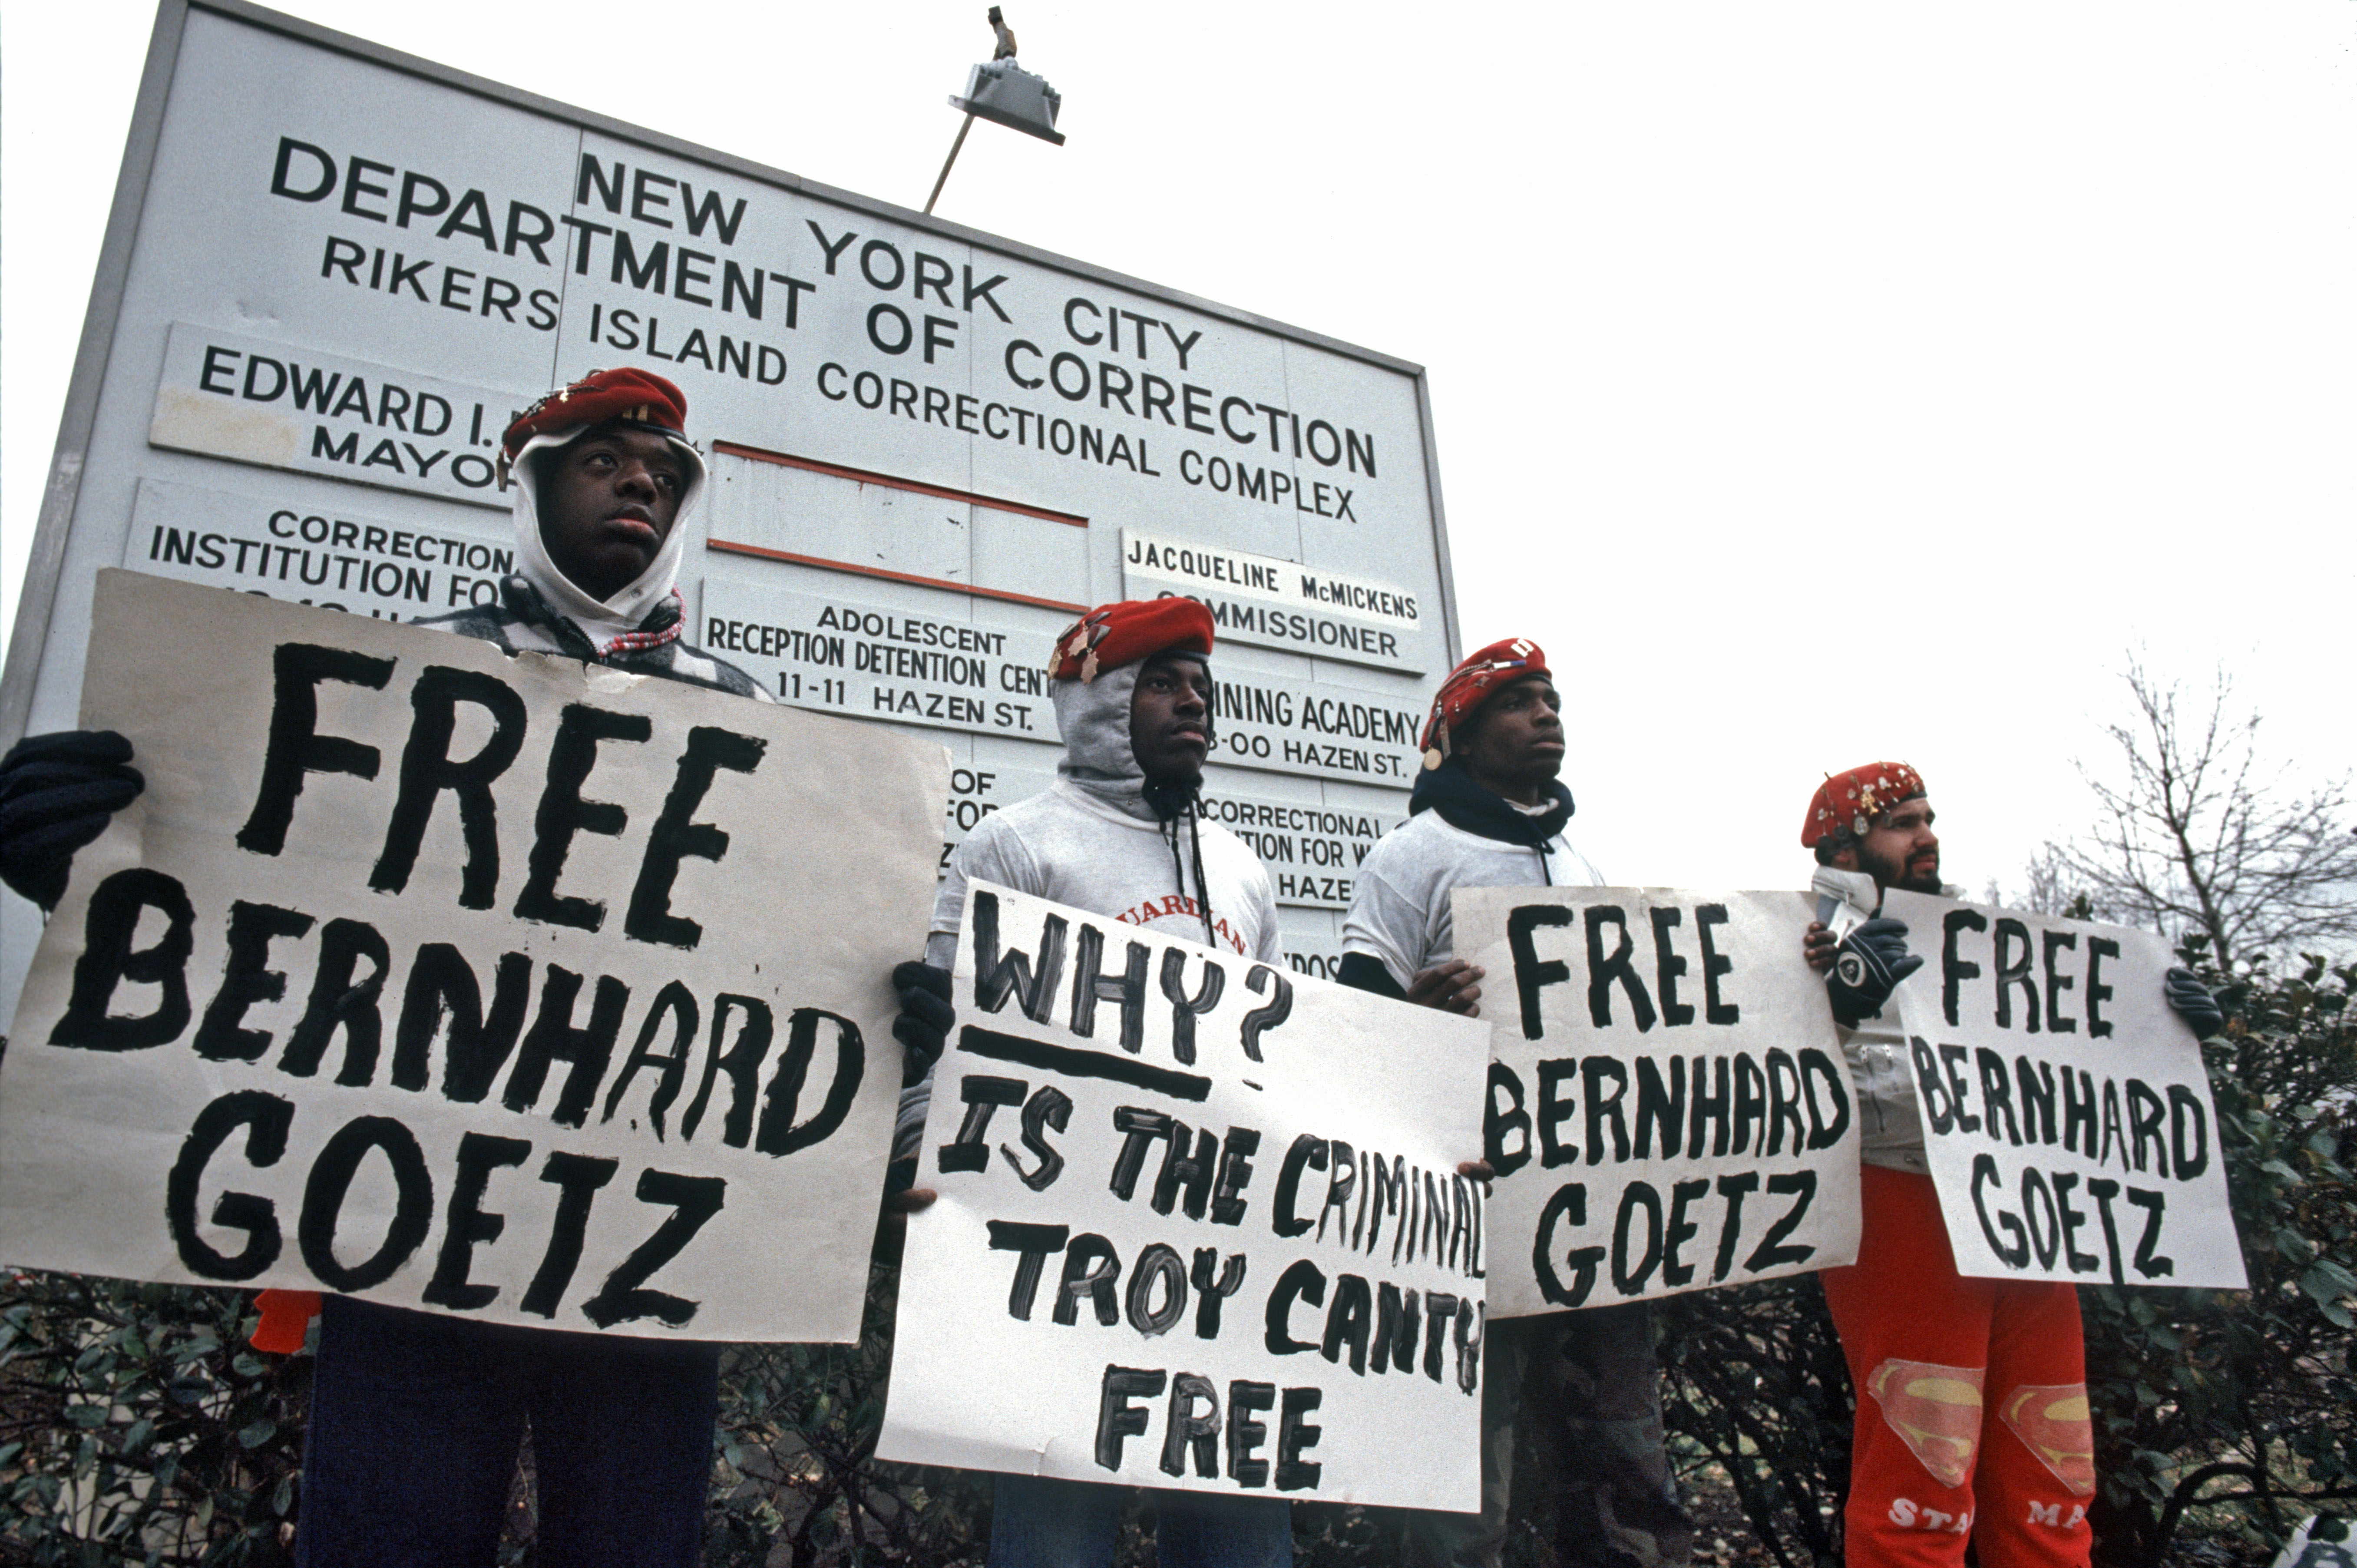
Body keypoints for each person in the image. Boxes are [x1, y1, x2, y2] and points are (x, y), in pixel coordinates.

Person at [0, 366, 782, 1567]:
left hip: (636, 1230)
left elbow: (774, 954)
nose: (638, 483)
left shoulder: (752, 715)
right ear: (531, 488)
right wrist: (91, 868)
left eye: (663, 475)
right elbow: (276, 902)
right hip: (410, 1218)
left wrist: (881, 1007)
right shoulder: (407, 668)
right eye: (602, 461)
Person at [888, 596, 1294, 1568]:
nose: (1191, 702)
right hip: (1062, 1261)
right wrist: (918, 1158)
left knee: (1239, 1546)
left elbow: (1282, 1059)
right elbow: (945, 1026)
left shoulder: (1243, 870)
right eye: (1160, 683)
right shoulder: (1016, 844)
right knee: (1054, 1542)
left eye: (1200, 686)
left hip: (1221, 1263)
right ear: (1100, 703)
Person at [1798, 761, 2225, 1568]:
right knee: (1923, 1476)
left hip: (2023, 1213)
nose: (1927, 835)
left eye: (1929, 818)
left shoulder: (1983, 944)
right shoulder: (1800, 939)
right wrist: (1837, 1007)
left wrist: (2169, 1031)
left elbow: (2071, 1066)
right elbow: (1775, 1077)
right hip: (1904, 1204)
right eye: (1902, 823)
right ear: (1844, 849)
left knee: (2051, 1469)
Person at [1336, 638, 1692, 1568]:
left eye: (1552, 700)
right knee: (1465, 1478)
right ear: (1458, 733)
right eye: (1518, 701)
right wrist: (1415, 1016)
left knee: (1622, 1458)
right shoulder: (1411, 856)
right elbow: (1354, 1024)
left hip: (1592, 1210)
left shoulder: (1580, 860)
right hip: (1473, 1209)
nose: (1546, 716)